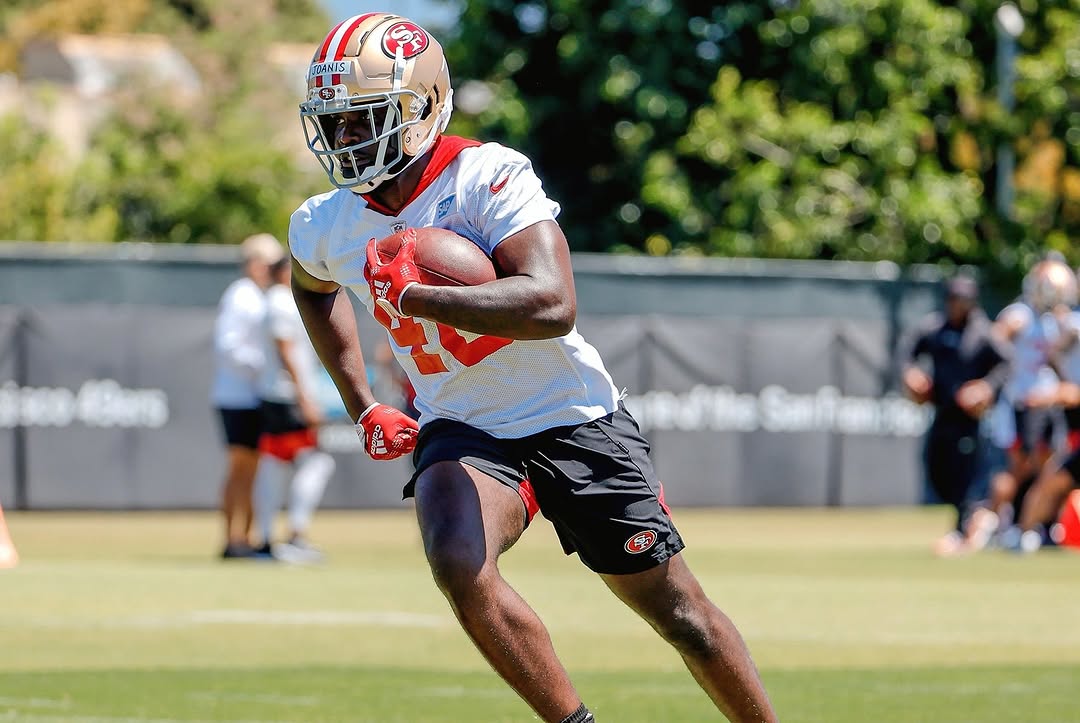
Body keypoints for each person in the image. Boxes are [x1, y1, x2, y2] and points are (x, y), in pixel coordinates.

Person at [287, 13, 777, 723]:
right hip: (464, 423)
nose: (346, 138)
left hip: (571, 416)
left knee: (680, 614)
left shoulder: (485, 175)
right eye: (334, 122)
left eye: (364, 118)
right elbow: (312, 287)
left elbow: (552, 304)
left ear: (422, 107)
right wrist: (363, 401)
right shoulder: (324, 222)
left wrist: (418, 296)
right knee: (459, 562)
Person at [965, 258, 1075, 550]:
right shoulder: (1019, 315)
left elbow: (1053, 359)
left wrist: (1064, 386)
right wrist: (990, 382)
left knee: (1050, 465)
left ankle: (1034, 525)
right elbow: (992, 344)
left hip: (1047, 401)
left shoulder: (1052, 320)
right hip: (1022, 401)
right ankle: (989, 520)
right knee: (1019, 466)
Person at [898, 274, 1009, 556]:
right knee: (937, 472)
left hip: (970, 419)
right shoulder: (935, 328)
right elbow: (907, 352)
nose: (959, 305)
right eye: (955, 299)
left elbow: (1006, 364)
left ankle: (963, 531)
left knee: (965, 478)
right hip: (941, 413)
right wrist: (911, 374)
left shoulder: (982, 333)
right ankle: (977, 521)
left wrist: (986, 387)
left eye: (965, 300)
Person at [252, 256, 337, 564]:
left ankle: (265, 541)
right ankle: (295, 536)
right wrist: (305, 398)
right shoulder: (281, 301)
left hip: (278, 394)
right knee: (317, 463)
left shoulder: (275, 300)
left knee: (274, 465)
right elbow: (285, 348)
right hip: (287, 397)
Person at [211, 232, 284, 559]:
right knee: (240, 467)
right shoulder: (241, 295)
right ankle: (232, 539)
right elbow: (229, 346)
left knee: (253, 470)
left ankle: (247, 537)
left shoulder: (261, 295)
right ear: (254, 264)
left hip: (255, 396)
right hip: (238, 396)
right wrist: (264, 367)